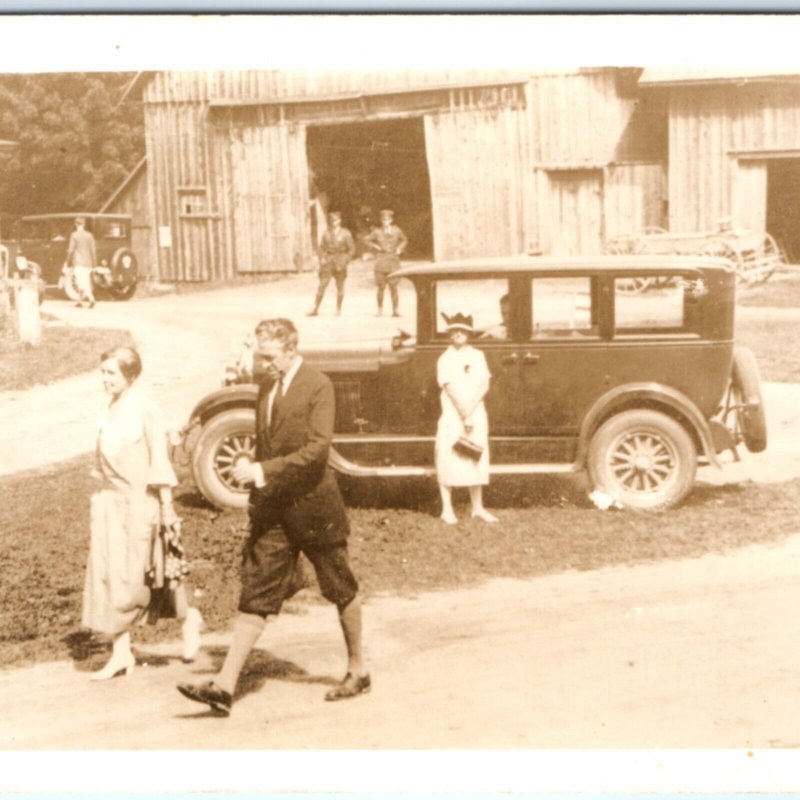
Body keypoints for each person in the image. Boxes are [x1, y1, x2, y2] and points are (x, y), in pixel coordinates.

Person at [177, 318, 369, 717]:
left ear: (290, 349)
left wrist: (264, 471)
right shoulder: (266, 386)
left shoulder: (318, 385)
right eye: (259, 355)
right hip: (276, 512)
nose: (263, 364)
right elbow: (267, 443)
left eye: (269, 356)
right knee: (257, 592)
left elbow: (317, 450)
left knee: (339, 587)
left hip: (316, 509)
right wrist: (258, 490)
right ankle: (224, 687)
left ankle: (357, 670)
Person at [82, 345, 203, 680]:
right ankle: (121, 654)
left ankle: (188, 617)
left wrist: (166, 508)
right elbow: (103, 462)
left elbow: (158, 462)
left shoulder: (146, 410)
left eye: (112, 373)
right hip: (112, 505)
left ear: (130, 375)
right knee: (111, 580)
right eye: (103, 372)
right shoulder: (108, 410)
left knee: (149, 577)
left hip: (141, 506)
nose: (105, 379)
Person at [435, 313, 498, 525]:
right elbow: (449, 387)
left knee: (475, 457)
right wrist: (464, 413)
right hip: (454, 414)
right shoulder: (445, 358)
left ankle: (478, 507)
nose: (459, 333)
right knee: (449, 457)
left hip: (476, 411)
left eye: (462, 330)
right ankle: (447, 509)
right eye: (454, 330)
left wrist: (471, 410)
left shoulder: (478, 355)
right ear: (450, 334)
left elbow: (484, 384)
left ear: (468, 333)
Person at [307, 211, 356, 317]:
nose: (334, 222)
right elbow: (321, 247)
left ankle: (338, 310)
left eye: (336, 220)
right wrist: (321, 258)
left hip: (340, 262)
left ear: (340, 221)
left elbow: (352, 249)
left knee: (340, 286)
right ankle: (315, 308)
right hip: (328, 262)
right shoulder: (326, 233)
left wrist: (345, 259)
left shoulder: (345, 233)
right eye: (332, 220)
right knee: (322, 285)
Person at [365, 209, 407, 317]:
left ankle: (395, 310)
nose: (385, 221)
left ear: (391, 220)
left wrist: (399, 248)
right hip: (381, 261)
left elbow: (404, 240)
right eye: (383, 219)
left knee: (394, 287)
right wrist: (375, 246)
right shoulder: (377, 231)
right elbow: (366, 239)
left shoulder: (397, 230)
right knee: (381, 287)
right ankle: (379, 310)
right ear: (381, 220)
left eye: (388, 219)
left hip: (393, 261)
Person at [67, 216, 97, 308]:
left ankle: (92, 299)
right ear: (84, 224)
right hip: (88, 263)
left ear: (76, 224)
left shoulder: (74, 235)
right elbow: (93, 250)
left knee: (81, 282)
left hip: (78, 262)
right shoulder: (90, 236)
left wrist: (68, 262)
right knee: (84, 280)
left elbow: (71, 250)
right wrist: (94, 264)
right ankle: (79, 301)